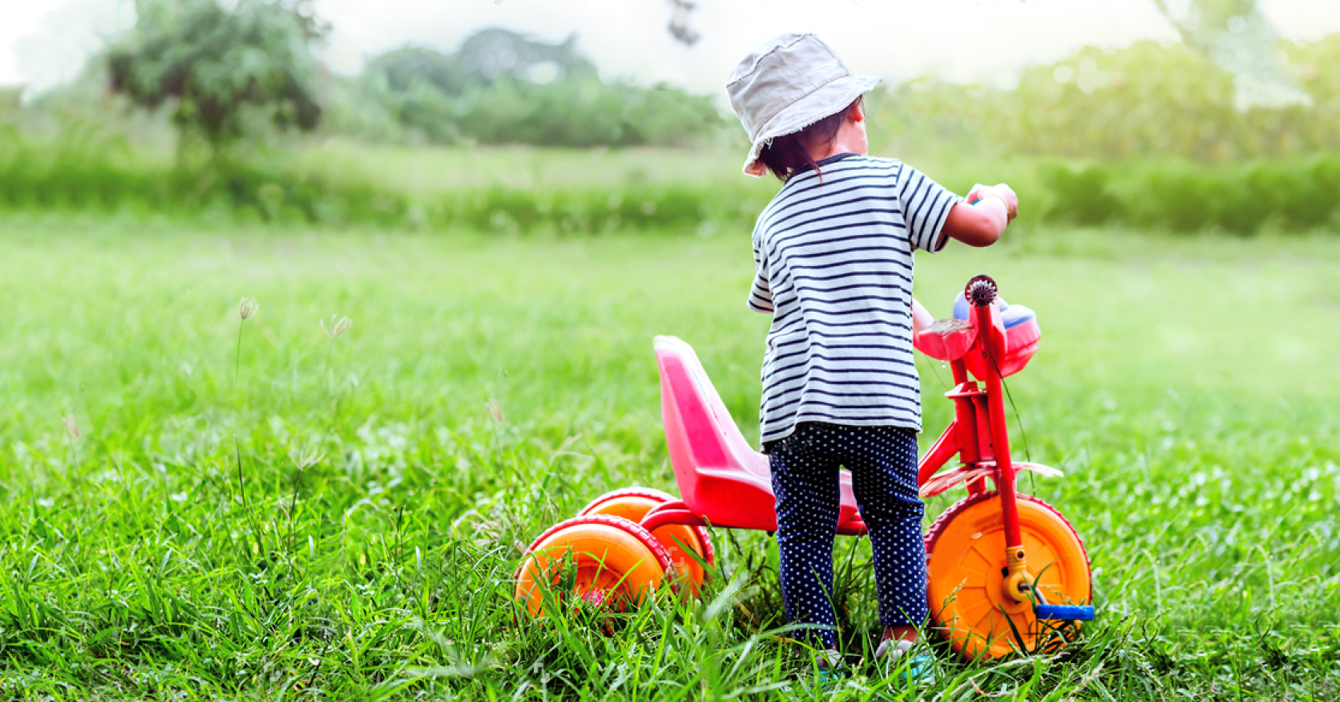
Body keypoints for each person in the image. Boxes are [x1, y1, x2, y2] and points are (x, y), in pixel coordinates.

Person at [725, 33, 1019, 675]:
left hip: (793, 409)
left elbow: (780, 301)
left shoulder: (770, 221)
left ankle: (816, 653)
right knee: (894, 515)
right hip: (878, 399)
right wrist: (997, 195)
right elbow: (981, 230)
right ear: (855, 111)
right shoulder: (891, 181)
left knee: (802, 532)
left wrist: (893, 302)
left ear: (771, 154)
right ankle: (903, 649)